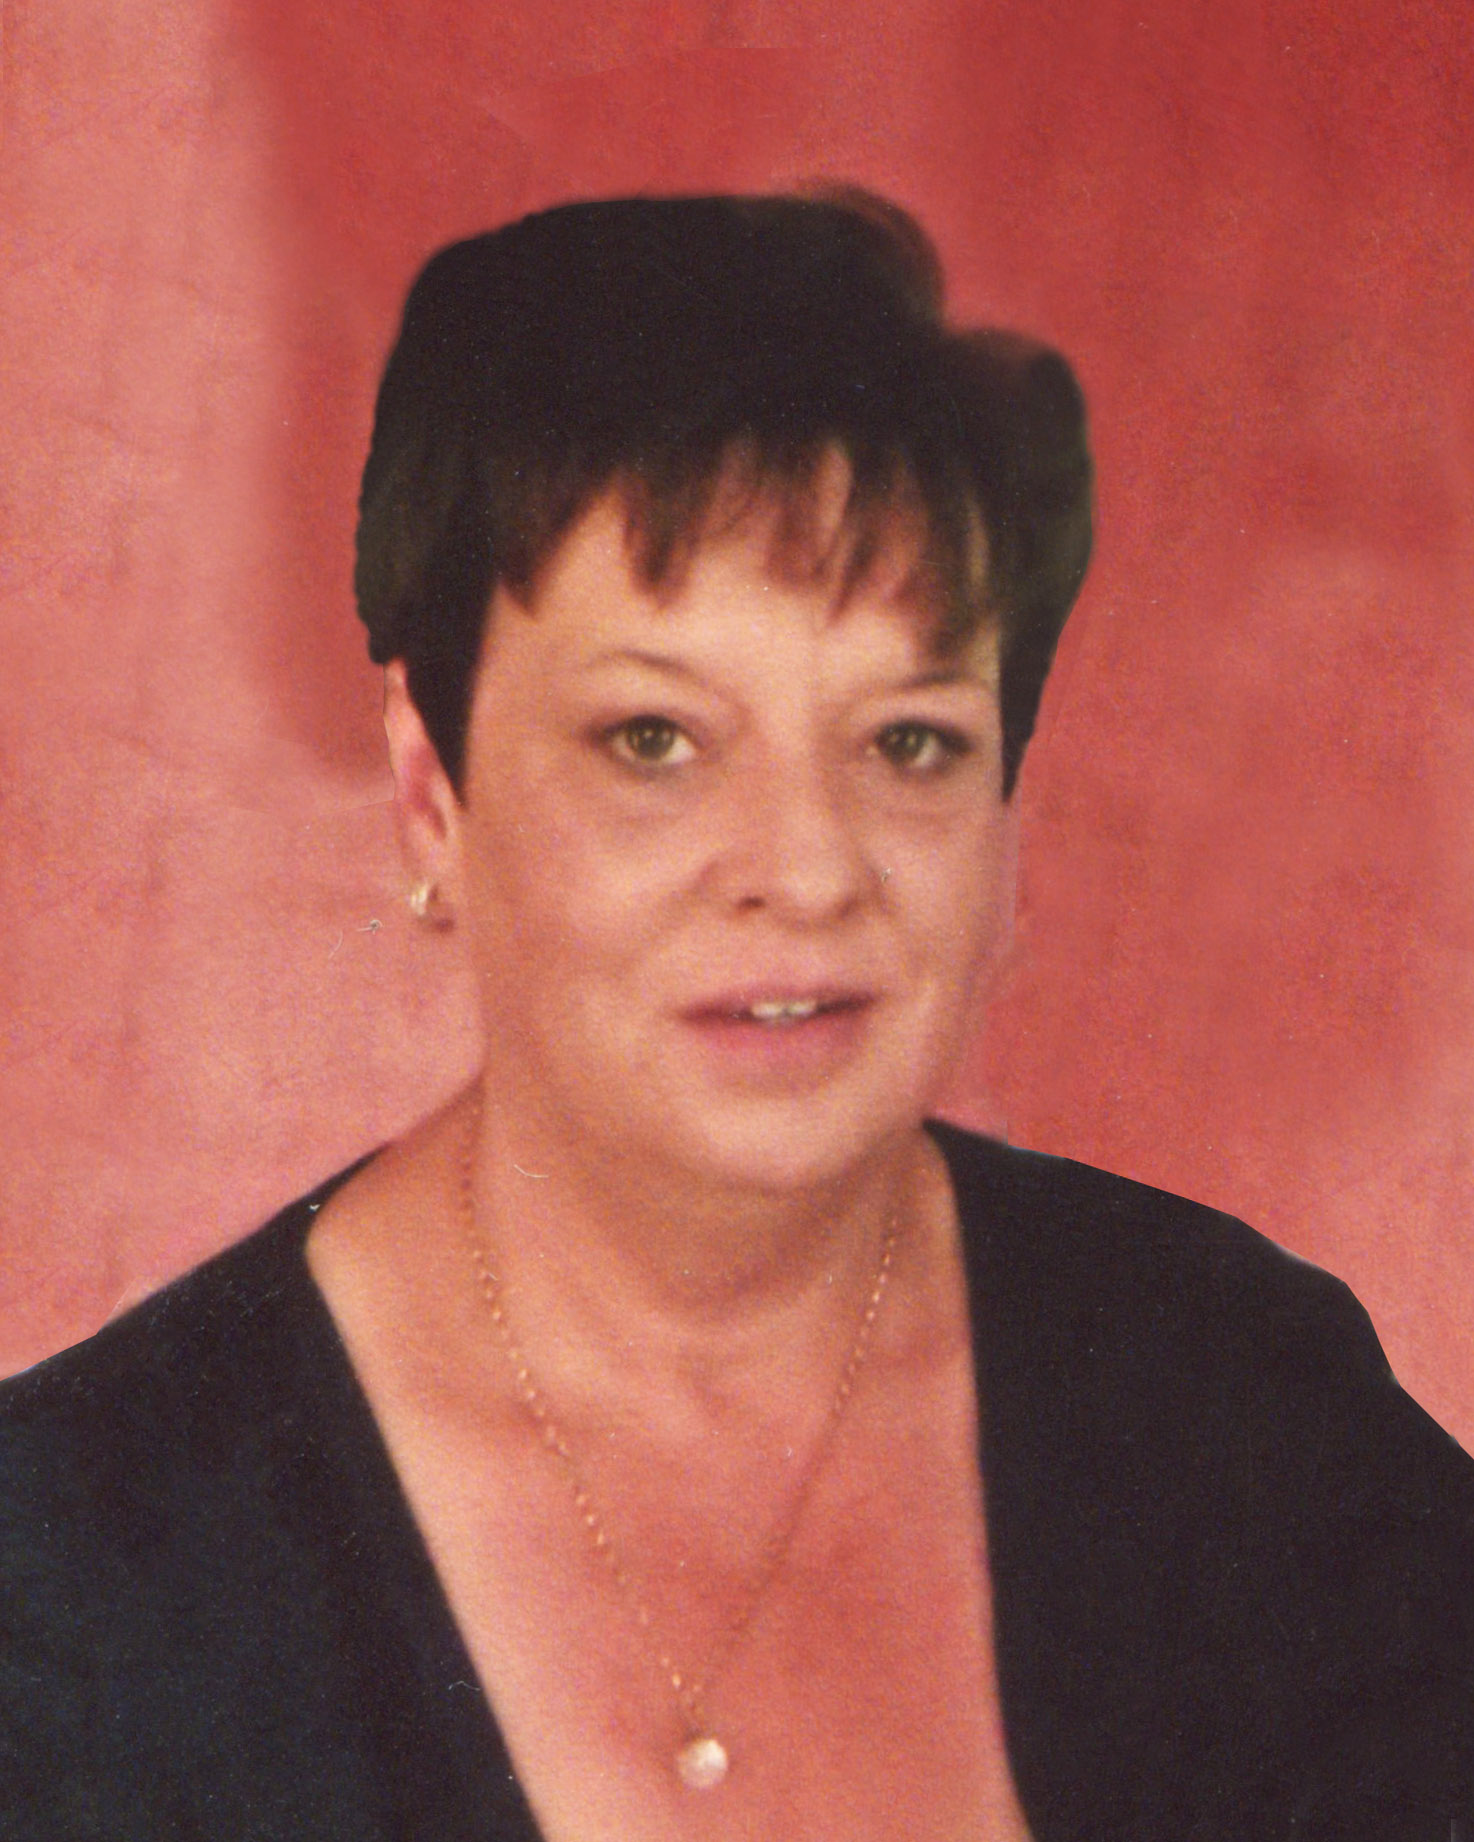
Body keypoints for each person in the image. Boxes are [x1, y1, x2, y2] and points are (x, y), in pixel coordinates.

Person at [1, 192, 1471, 1842]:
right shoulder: (73, 1575)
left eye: (906, 742)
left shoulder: (1244, 1410)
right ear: (431, 794)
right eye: (654, 739)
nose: (807, 867)